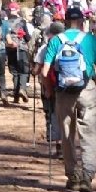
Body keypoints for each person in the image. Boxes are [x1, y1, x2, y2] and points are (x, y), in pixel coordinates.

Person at [42, 7, 96, 192]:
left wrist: (48, 89)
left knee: (67, 133)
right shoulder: (90, 40)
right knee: (90, 133)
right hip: (86, 88)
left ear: (64, 22)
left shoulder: (56, 40)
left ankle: (73, 176)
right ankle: (87, 176)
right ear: (81, 21)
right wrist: (95, 81)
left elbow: (45, 71)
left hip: (63, 92)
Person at [32, 22, 65, 157]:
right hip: (68, 86)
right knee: (66, 115)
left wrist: (33, 71)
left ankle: (58, 145)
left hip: (49, 86)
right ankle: (67, 143)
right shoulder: (69, 45)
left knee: (52, 113)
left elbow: (37, 70)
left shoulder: (45, 48)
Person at [6, 2, 31, 103]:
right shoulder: (22, 22)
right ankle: (22, 89)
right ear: (17, 10)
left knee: (15, 73)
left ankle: (16, 96)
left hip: (10, 48)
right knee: (24, 71)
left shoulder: (5, 23)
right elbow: (27, 37)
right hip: (21, 48)